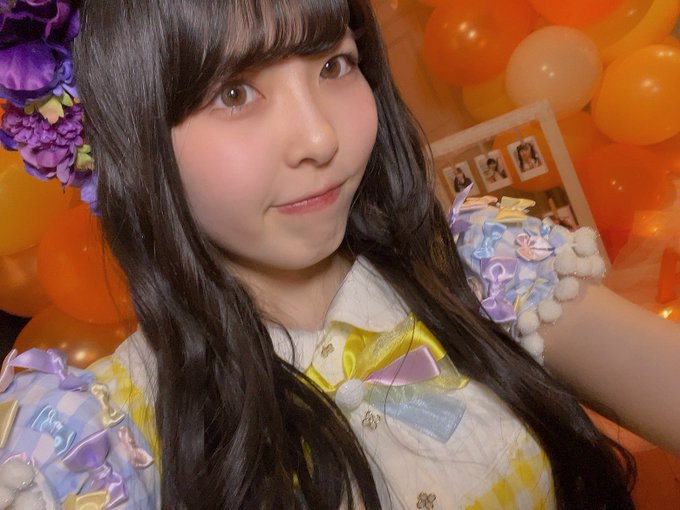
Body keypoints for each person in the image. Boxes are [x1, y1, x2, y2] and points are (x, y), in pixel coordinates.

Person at [1, 1, 680, 508]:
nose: (320, 137)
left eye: (334, 65)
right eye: (234, 93)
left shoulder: (484, 272)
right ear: (131, 141)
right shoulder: (93, 447)